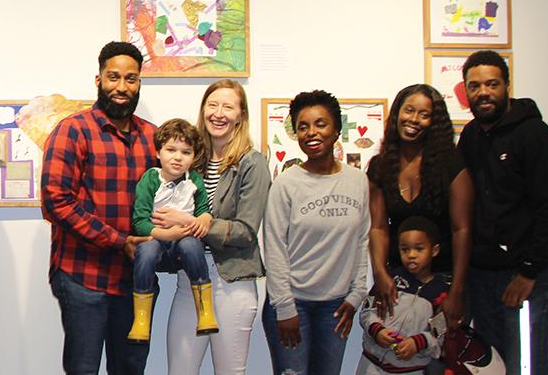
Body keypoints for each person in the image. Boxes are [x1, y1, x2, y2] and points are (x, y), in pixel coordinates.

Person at [41, 41, 157, 374]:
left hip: (136, 281)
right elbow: (55, 202)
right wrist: (119, 241)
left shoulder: (153, 137)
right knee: (83, 369)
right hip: (83, 277)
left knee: (131, 368)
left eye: (131, 79)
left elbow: (167, 196)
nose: (122, 87)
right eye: (114, 77)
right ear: (99, 80)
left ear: (139, 83)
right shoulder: (72, 130)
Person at [458, 50, 548, 374]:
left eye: (491, 84)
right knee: (491, 368)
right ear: (466, 90)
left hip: (529, 279)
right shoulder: (470, 137)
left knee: (526, 367)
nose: (483, 92)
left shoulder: (538, 138)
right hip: (483, 278)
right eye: (475, 85)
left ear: (507, 85)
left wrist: (529, 272)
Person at [157, 79, 270, 374]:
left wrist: (193, 224)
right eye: (213, 105)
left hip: (231, 285)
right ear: (203, 110)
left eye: (228, 107)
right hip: (189, 280)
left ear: (240, 115)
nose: (219, 113)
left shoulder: (252, 163)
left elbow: (245, 231)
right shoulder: (190, 161)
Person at [263, 90, 370, 375]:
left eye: (320, 124)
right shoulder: (286, 184)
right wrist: (284, 308)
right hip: (292, 304)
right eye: (303, 126)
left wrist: (357, 295)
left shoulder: (358, 181)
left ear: (337, 129)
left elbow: (361, 241)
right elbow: (274, 248)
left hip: (336, 306)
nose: (311, 132)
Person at [366, 84, 473, 331]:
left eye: (424, 115)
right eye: (409, 110)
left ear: (434, 123)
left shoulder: (451, 164)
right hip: (399, 280)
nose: (414, 119)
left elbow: (462, 230)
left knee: (438, 359)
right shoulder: (381, 166)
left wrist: (457, 291)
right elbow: (379, 227)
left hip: (444, 279)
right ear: (397, 114)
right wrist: (380, 273)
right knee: (396, 354)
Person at [127, 118, 213, 344]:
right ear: (158, 152)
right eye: (171, 150)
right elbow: (140, 221)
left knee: (192, 246)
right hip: (157, 237)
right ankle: (142, 319)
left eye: (186, 152)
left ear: (193, 156)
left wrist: (205, 217)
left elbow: (203, 208)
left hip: (184, 239)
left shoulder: (194, 179)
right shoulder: (151, 179)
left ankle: (205, 311)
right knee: (144, 253)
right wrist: (166, 234)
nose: (178, 157)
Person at [356, 216, 449, 374]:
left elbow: (440, 334)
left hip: (410, 370)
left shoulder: (441, 293)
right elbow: (367, 311)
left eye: (419, 249)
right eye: (405, 249)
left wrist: (418, 343)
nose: (411, 255)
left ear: (434, 250)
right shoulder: (389, 280)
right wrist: (376, 330)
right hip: (370, 365)